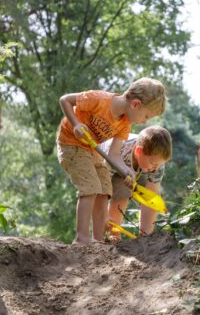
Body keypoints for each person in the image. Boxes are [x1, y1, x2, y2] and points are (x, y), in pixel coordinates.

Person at [56, 77, 166, 244]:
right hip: (71, 144)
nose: (144, 122)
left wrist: (126, 171)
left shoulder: (124, 124)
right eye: (146, 116)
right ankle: (81, 237)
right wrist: (76, 124)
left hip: (91, 151)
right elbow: (65, 100)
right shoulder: (99, 99)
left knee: (105, 188)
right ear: (136, 104)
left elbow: (114, 155)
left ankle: (98, 239)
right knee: (90, 187)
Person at [100, 125, 172, 241]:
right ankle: (113, 233)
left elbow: (151, 198)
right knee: (123, 190)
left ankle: (145, 237)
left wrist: (146, 233)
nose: (155, 168)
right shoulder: (120, 151)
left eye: (159, 164)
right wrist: (103, 215)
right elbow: (101, 188)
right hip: (107, 167)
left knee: (151, 199)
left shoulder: (156, 165)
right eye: (153, 163)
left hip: (139, 171)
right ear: (139, 151)